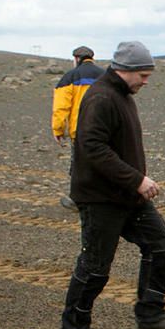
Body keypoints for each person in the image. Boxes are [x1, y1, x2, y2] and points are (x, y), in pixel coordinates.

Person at [59, 41, 165, 329]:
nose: (146, 82)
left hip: (126, 197)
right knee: (94, 266)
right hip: (101, 198)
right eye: (143, 76)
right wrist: (136, 180)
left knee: (159, 245)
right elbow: (92, 147)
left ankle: (151, 318)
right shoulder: (102, 97)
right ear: (125, 70)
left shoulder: (121, 94)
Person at [51, 45, 103, 209]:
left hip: (81, 130)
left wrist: (58, 129)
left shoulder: (69, 77)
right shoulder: (105, 76)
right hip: (105, 128)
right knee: (104, 162)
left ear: (76, 59)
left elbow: (61, 107)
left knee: (80, 165)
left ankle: (78, 199)